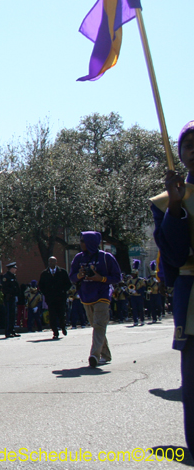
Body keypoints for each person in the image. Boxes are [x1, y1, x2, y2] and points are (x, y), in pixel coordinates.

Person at [150, 121, 194, 452]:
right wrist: (177, 205)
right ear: (178, 154)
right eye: (188, 143)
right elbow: (176, 256)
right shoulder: (165, 202)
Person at [70, 231, 121, 368]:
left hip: (102, 295)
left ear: (91, 242)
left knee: (99, 325)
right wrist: (79, 276)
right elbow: (72, 277)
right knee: (96, 325)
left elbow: (117, 278)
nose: (80, 244)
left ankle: (94, 355)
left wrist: (101, 278)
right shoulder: (78, 258)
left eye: (83, 241)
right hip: (86, 296)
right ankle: (106, 354)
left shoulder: (106, 257)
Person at [38, 256, 72, 339]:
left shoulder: (62, 272)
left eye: (52, 262)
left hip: (61, 298)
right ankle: (55, 332)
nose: (50, 263)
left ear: (56, 262)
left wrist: (63, 291)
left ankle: (63, 327)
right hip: (51, 299)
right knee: (52, 316)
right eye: (49, 262)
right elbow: (41, 285)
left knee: (61, 314)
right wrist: (46, 294)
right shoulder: (45, 273)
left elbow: (68, 283)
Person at [0, 262, 20, 338]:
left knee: (12, 315)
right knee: (8, 315)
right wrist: (11, 292)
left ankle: (12, 330)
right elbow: (5, 288)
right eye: (15, 268)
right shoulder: (6, 277)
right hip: (8, 298)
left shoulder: (13, 276)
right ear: (11, 268)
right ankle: (8, 332)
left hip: (13, 297)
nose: (16, 269)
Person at [125, 260, 146, 327]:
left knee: (140, 309)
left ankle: (142, 320)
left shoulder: (141, 280)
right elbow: (127, 287)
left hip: (139, 296)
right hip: (133, 296)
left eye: (133, 274)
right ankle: (135, 321)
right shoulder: (130, 281)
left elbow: (143, 288)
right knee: (134, 309)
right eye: (132, 274)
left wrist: (137, 291)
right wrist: (129, 291)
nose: (132, 275)